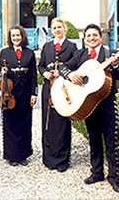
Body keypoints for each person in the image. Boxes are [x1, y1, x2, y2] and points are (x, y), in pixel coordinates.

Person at [59, 23, 119, 192]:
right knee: (94, 139)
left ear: (100, 37)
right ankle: (96, 172)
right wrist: (71, 74)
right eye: (88, 36)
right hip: (88, 104)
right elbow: (62, 67)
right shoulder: (80, 55)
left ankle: (114, 177)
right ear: (85, 39)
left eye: (95, 35)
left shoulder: (109, 54)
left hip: (107, 102)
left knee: (111, 140)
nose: (92, 38)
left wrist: (116, 65)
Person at [38, 18, 77, 172]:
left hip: (64, 90)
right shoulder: (47, 46)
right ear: (51, 30)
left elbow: (76, 67)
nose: (57, 30)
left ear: (64, 28)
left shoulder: (72, 46)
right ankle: (48, 159)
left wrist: (62, 74)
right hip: (48, 89)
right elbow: (40, 66)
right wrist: (45, 73)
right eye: (54, 28)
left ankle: (62, 160)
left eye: (59, 27)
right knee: (47, 123)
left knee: (62, 123)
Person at [0, 25, 38, 166]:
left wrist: (34, 94)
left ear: (23, 37)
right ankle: (11, 155)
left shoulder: (29, 53)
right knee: (10, 124)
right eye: (13, 36)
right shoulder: (4, 52)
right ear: (10, 38)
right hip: (10, 93)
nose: (16, 38)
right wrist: (3, 71)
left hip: (25, 93)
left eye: (18, 35)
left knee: (25, 124)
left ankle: (23, 155)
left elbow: (33, 75)